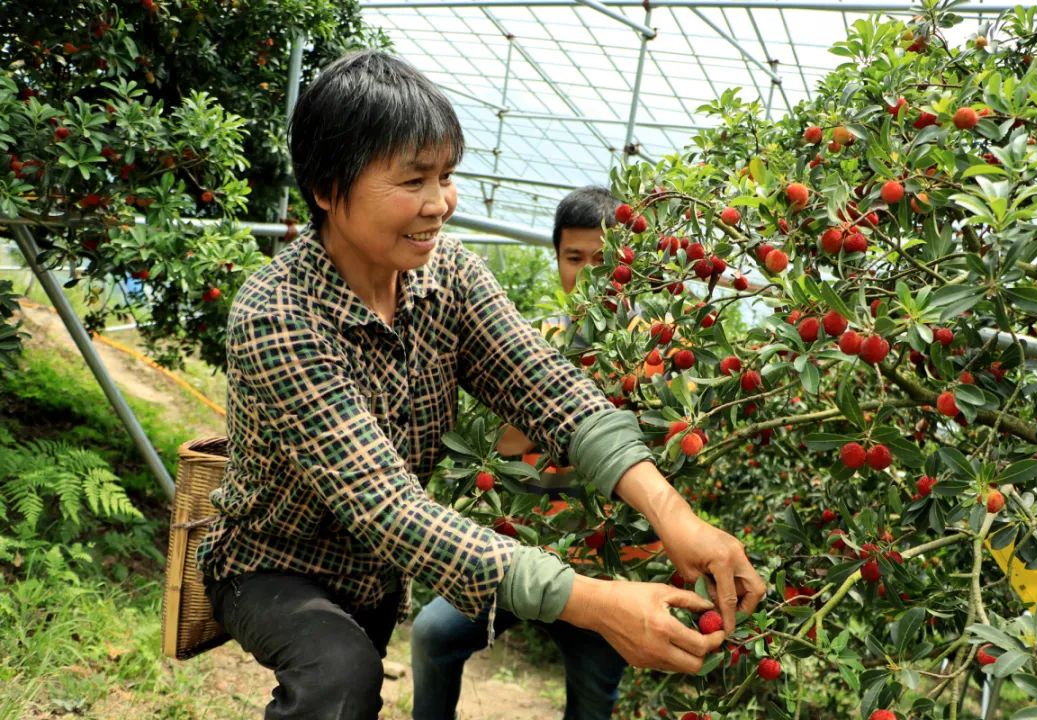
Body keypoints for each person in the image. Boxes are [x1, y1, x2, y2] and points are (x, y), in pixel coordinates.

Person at [196, 50, 766, 720]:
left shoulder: (450, 279)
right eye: (413, 180)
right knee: (340, 677)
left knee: (352, 686)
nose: (439, 204)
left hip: (375, 577)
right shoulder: (278, 317)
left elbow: (549, 388)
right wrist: (597, 602)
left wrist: (676, 517)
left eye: (446, 176)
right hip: (273, 565)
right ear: (326, 189)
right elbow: (388, 508)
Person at [410, 186, 644, 720]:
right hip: (522, 556)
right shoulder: (532, 340)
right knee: (431, 635)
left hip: (604, 576)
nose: (587, 275)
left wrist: (551, 423)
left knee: (592, 705)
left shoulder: (654, 353)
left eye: (603, 261)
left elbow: (642, 453)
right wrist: (581, 420)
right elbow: (502, 444)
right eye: (574, 258)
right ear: (557, 258)